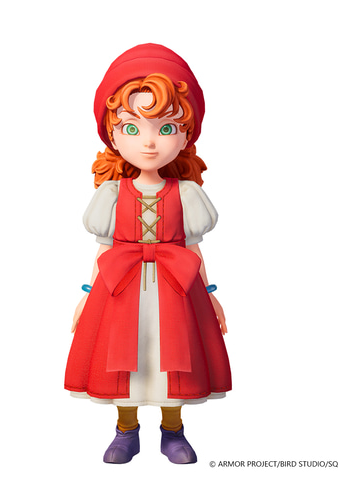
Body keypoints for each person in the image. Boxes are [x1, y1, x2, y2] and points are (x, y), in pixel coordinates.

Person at [64, 43, 232, 464]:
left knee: (174, 360)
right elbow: (103, 248)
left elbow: (192, 247)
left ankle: (173, 431)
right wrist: (86, 293)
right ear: (113, 134)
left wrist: (210, 293)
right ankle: (126, 431)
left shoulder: (188, 194)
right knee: (124, 361)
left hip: (177, 290)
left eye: (167, 127)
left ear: (187, 134)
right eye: (133, 128)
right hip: (119, 289)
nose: (151, 143)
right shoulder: (110, 194)